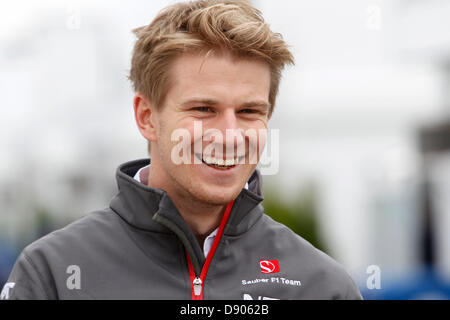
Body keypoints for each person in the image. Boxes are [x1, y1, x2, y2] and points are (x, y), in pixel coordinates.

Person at [2, 0, 362, 300]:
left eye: (249, 111)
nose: (229, 135)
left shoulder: (324, 286)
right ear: (146, 117)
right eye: (203, 109)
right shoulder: (52, 272)